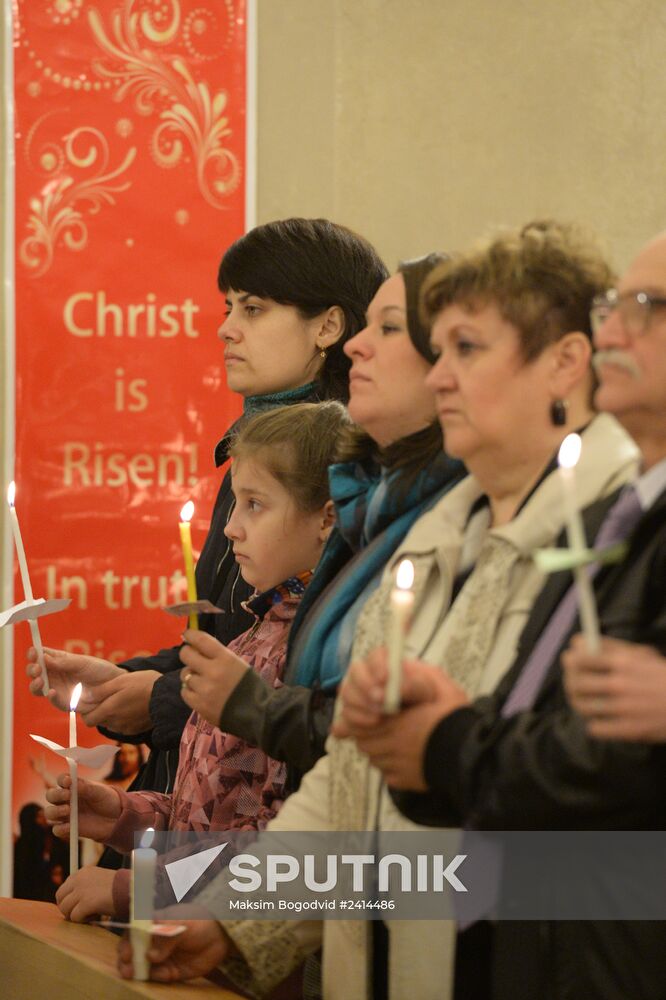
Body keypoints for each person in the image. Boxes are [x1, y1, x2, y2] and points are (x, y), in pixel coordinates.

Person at [119, 221, 639, 999]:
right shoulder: (437, 534)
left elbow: (589, 824)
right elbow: (355, 780)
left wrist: (173, 880)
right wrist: (235, 917)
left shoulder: (616, 539)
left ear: (564, 364)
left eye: (466, 350)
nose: (439, 378)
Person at [340, 230, 666, 999]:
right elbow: (352, 779)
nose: (613, 328)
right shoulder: (592, 526)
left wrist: (448, 741)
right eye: (615, 306)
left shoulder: (596, 515)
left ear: (561, 363)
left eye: (645, 308)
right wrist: (204, 896)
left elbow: (603, 761)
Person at [26, 217, 388, 805]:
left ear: (327, 326)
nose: (225, 330)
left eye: (253, 309)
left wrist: (162, 697)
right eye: (228, 308)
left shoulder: (344, 472)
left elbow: (292, 668)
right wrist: (125, 680)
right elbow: (228, 633)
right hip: (187, 797)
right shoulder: (255, 447)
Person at [43, 402, 348, 924]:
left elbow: (268, 855)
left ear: (327, 516)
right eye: (234, 504)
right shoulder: (255, 635)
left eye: (255, 505)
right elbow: (208, 815)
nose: (230, 528)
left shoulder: (307, 658)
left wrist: (137, 889)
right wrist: (124, 816)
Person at [174, 254, 463, 792]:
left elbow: (385, 750)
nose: (358, 343)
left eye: (391, 328)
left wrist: (147, 881)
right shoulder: (373, 502)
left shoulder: (443, 519)